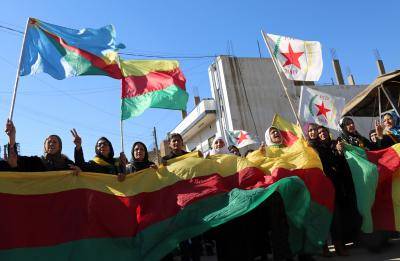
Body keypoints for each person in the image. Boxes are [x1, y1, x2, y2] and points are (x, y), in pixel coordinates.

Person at [315, 125, 362, 256]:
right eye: (319, 132)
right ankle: (323, 246)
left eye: (324, 131)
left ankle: (338, 245)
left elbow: (340, 164)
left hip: (336, 186)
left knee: (337, 218)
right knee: (323, 218)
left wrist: (340, 152)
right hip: (321, 187)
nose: (322, 134)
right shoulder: (315, 148)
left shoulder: (336, 144)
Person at [5, 120, 79, 173]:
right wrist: (12, 138)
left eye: (54, 142)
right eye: (49, 142)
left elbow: (82, 170)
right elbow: (15, 160)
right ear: (45, 146)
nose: (51, 144)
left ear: (60, 147)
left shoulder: (67, 165)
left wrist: (79, 172)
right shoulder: (36, 162)